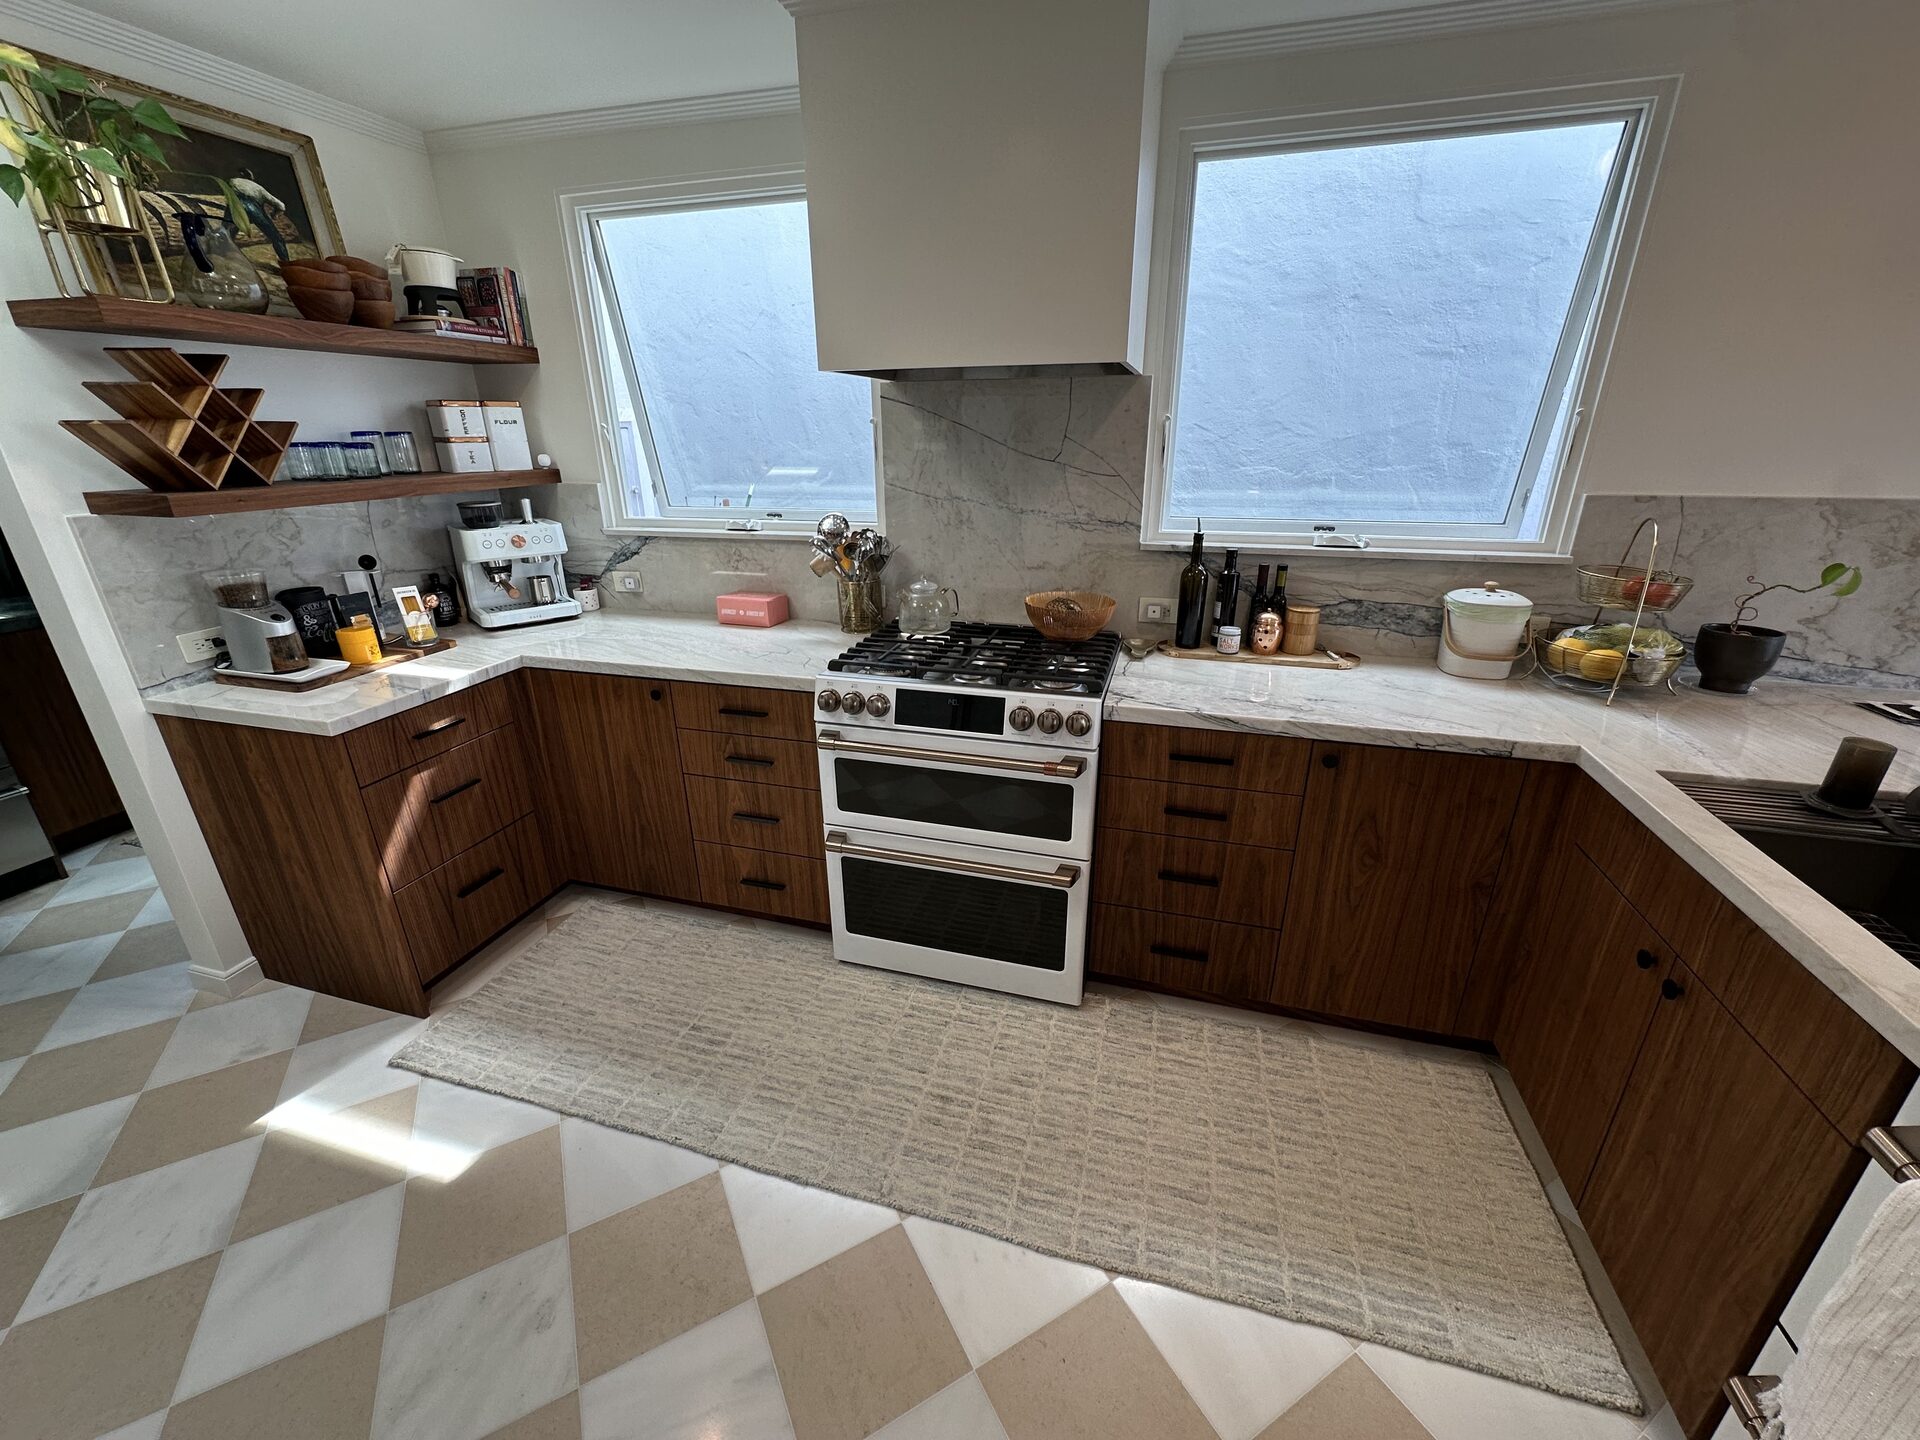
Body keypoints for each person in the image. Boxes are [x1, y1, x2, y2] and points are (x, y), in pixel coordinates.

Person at [230, 168, 291, 262]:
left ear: (241, 175)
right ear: (251, 178)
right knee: (276, 237)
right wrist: (275, 215)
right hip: (253, 208)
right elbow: (281, 206)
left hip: (236, 205)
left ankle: (223, 251)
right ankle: (286, 263)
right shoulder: (259, 188)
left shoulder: (233, 181)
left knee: (228, 230)